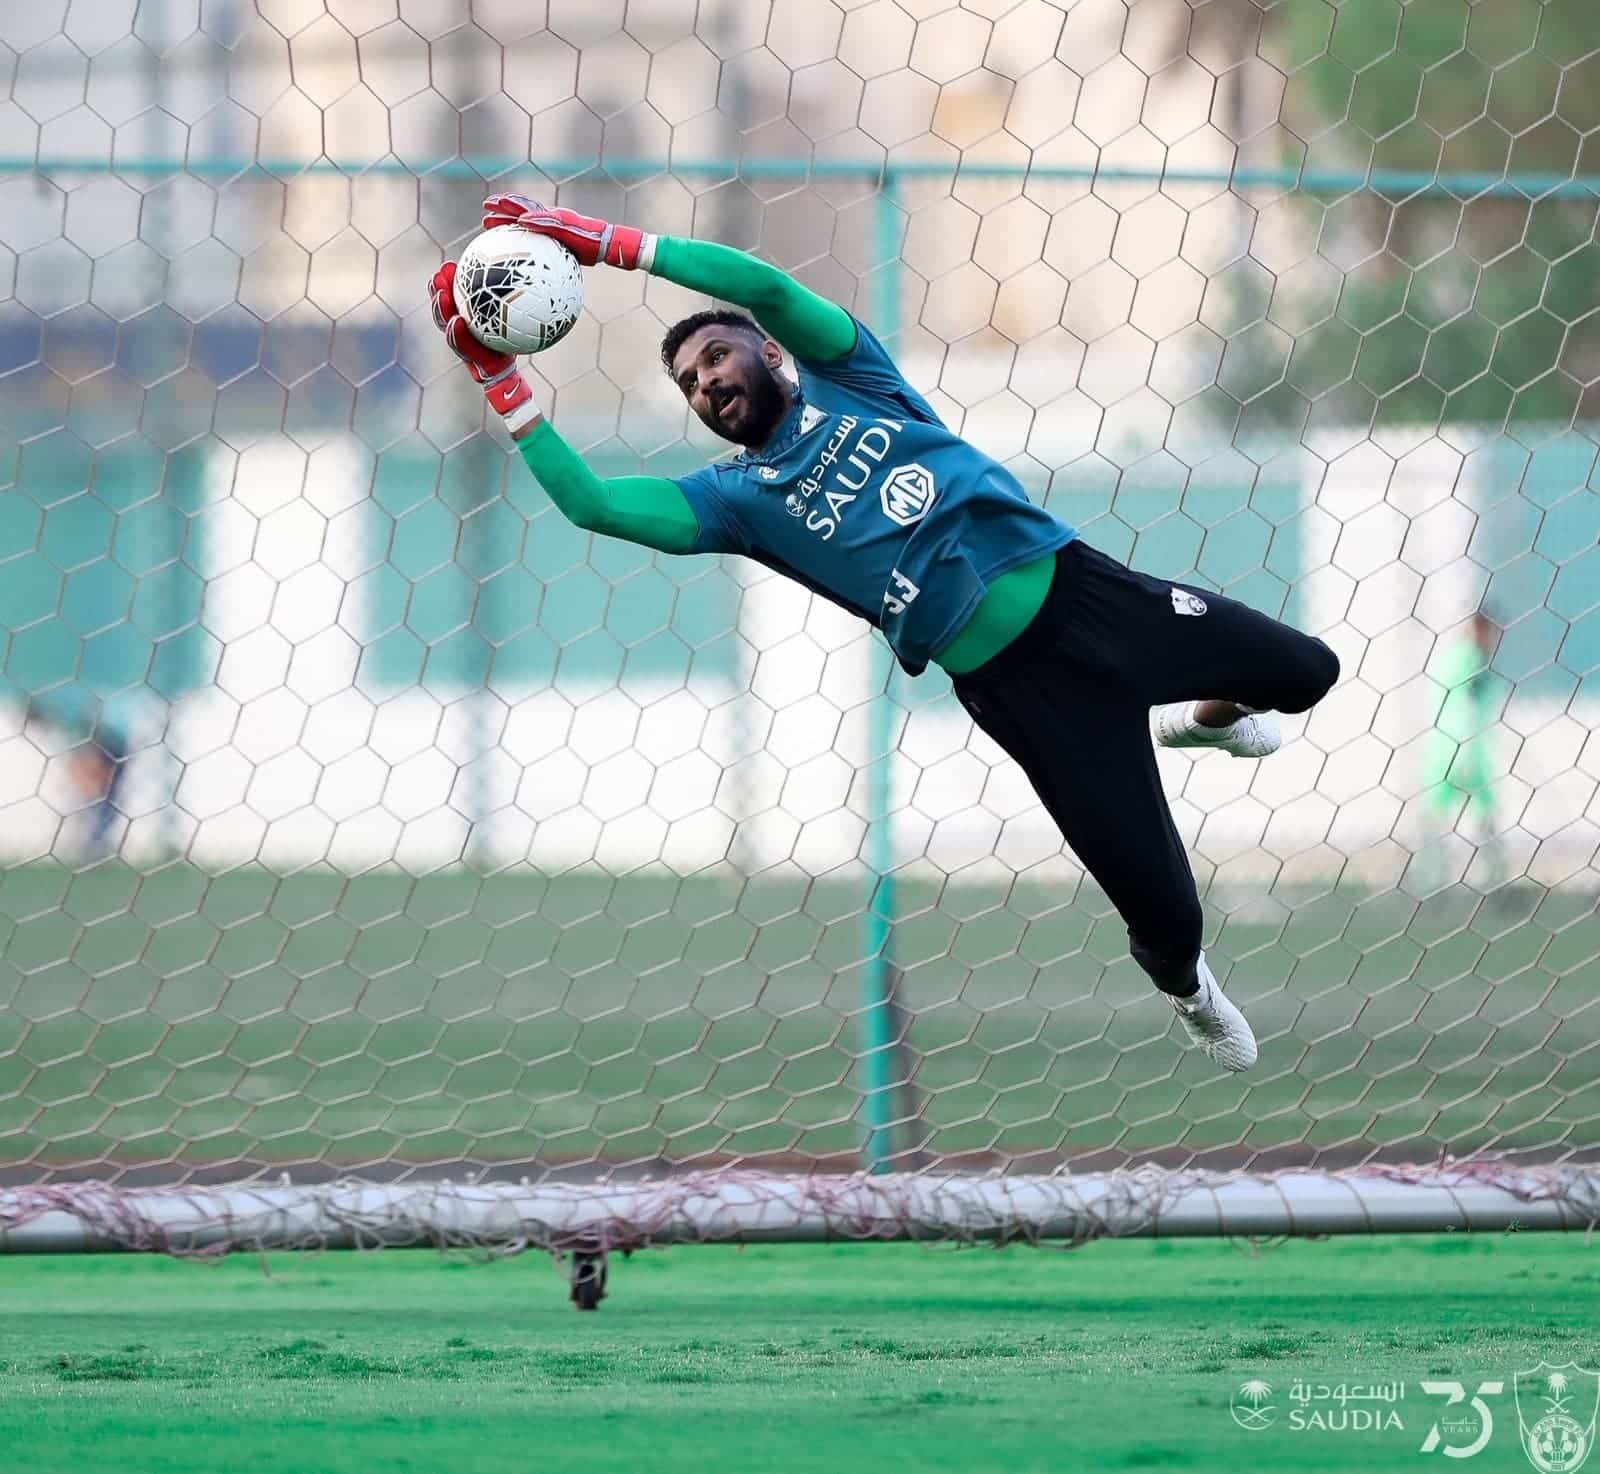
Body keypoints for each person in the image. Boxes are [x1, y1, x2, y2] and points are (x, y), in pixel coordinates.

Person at [427, 196, 1342, 1073]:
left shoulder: (855, 377)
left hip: (1090, 599)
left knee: (1306, 671)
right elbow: (592, 506)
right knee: (1169, 923)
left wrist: (602, 242)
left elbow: (771, 287)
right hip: (1022, 695)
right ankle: (1189, 995)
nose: (706, 382)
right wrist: (497, 379)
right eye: (691, 384)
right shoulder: (736, 501)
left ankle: (1206, 715)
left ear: (768, 352)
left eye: (715, 356)